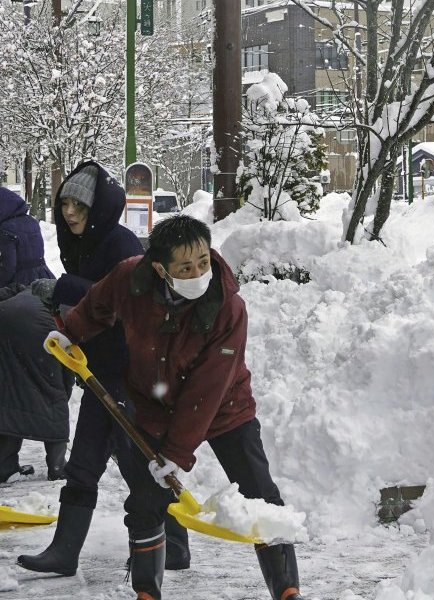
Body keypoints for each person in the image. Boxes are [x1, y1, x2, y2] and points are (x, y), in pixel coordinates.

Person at [44, 215, 304, 600]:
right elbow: (97, 305)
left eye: (203, 260)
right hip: (154, 405)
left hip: (225, 409)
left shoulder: (227, 307)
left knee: (260, 494)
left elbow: (208, 388)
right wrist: (69, 334)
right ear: (160, 268)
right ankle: (146, 591)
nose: (198, 271)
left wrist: (176, 454)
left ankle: (287, 589)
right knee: (147, 500)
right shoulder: (130, 279)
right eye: (185, 266)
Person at [19, 161, 191, 576]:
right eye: (65, 204)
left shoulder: (122, 244)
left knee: (137, 464)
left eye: (79, 205)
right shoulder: (82, 244)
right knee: (84, 464)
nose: (70, 213)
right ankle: (64, 552)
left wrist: (64, 289)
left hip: (131, 375)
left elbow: (126, 303)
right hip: (100, 372)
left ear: (97, 208)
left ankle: (175, 544)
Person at [0, 285, 72, 482]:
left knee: (9, 398)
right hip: (40, 333)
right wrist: (64, 391)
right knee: (54, 400)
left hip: (3, 321)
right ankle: (57, 468)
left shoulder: (31, 289)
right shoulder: (70, 304)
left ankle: (5, 467)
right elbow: (68, 364)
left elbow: (9, 290)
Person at [0, 187, 54, 287]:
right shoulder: (32, 221)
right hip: (43, 275)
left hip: (21, 281)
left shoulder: (6, 228)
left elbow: (9, 267)